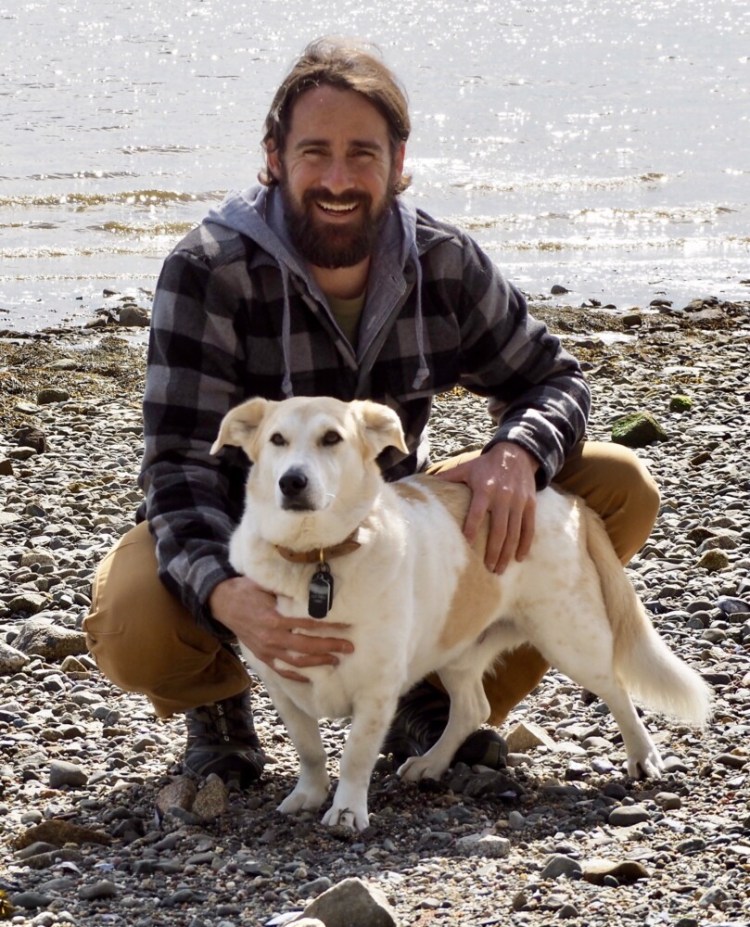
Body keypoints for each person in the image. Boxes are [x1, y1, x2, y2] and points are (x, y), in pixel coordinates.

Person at [84, 37, 660, 787]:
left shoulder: (444, 262)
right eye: (314, 152)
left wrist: (516, 453)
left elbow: (554, 380)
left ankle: (427, 688)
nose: (337, 178)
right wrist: (228, 594)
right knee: (132, 618)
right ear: (274, 156)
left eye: (362, 153)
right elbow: (176, 465)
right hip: (246, 539)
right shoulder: (210, 270)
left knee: (616, 488)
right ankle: (220, 709)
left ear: (398, 158)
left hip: (374, 541)